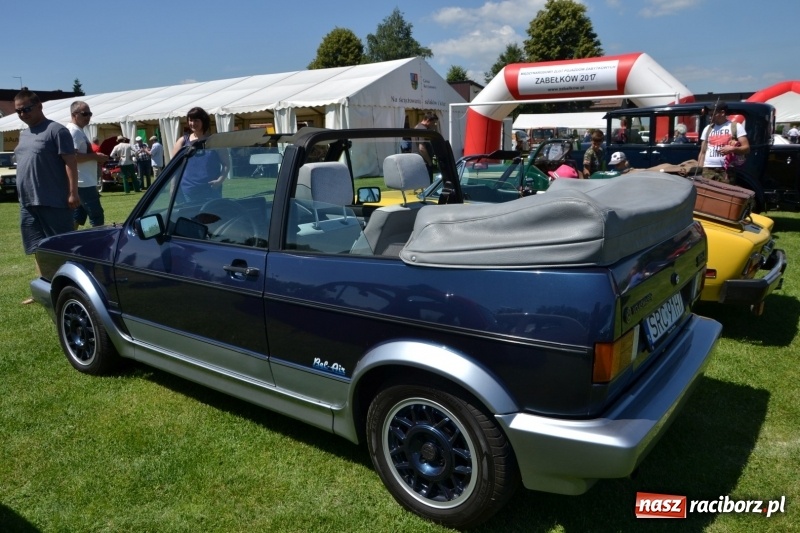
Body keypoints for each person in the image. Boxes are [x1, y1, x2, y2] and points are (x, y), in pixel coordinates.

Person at [13, 89, 79, 304]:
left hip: (53, 199)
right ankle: (44, 287)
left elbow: (70, 164)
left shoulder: (56, 131)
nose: (23, 114)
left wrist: (72, 193)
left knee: (62, 246)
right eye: (18, 111)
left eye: (26, 109)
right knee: (37, 248)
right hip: (28, 201)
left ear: (39, 106)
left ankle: (73, 288)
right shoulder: (24, 134)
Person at [171, 106, 227, 202]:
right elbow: (174, 168)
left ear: (203, 121)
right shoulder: (182, 141)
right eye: (190, 120)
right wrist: (173, 188)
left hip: (211, 190)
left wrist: (220, 180)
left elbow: (226, 164)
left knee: (212, 216)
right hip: (188, 191)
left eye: (196, 120)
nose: (193, 123)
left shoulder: (215, 141)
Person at [67, 101, 108, 229]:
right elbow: (72, 157)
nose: (88, 117)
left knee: (77, 216)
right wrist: (95, 157)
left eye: (90, 114)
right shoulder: (74, 131)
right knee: (96, 215)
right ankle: (98, 242)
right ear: (74, 114)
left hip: (84, 181)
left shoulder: (78, 131)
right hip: (82, 182)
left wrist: (96, 158)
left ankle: (68, 240)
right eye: (85, 114)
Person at [697, 101, 750, 184]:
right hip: (708, 169)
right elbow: (702, 152)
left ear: (722, 113)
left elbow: (746, 148)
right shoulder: (707, 128)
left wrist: (732, 149)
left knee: (725, 194)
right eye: (709, 115)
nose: (710, 117)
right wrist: (700, 169)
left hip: (727, 170)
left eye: (713, 114)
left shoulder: (735, 126)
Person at [414, 112, 438, 177]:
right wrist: (429, 162)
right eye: (433, 122)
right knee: (428, 183)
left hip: (417, 159)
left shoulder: (417, 126)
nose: (434, 124)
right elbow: (421, 148)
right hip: (424, 161)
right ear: (427, 120)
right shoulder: (423, 129)